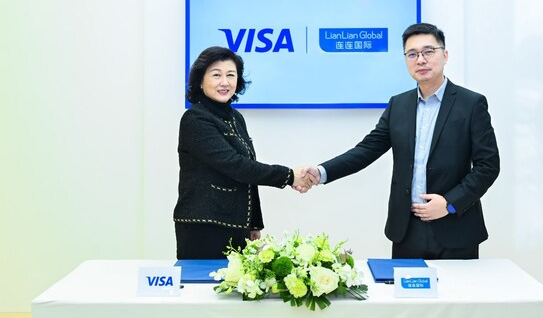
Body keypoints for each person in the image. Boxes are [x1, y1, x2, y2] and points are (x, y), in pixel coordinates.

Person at [301, 23, 500, 259]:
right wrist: (321, 172)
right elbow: (366, 150)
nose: (421, 60)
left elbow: (488, 166)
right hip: (406, 230)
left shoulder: (471, 104)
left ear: (445, 55)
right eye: (412, 54)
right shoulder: (398, 105)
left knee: (455, 285)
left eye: (428, 52)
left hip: (455, 226)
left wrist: (449, 203)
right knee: (404, 284)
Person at [173, 46, 316, 259]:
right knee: (204, 282)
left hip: (237, 226)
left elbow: (247, 175)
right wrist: (289, 176)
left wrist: (253, 223)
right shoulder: (195, 119)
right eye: (216, 75)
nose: (225, 82)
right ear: (200, 81)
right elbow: (235, 165)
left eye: (231, 75)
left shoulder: (235, 118)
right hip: (205, 227)